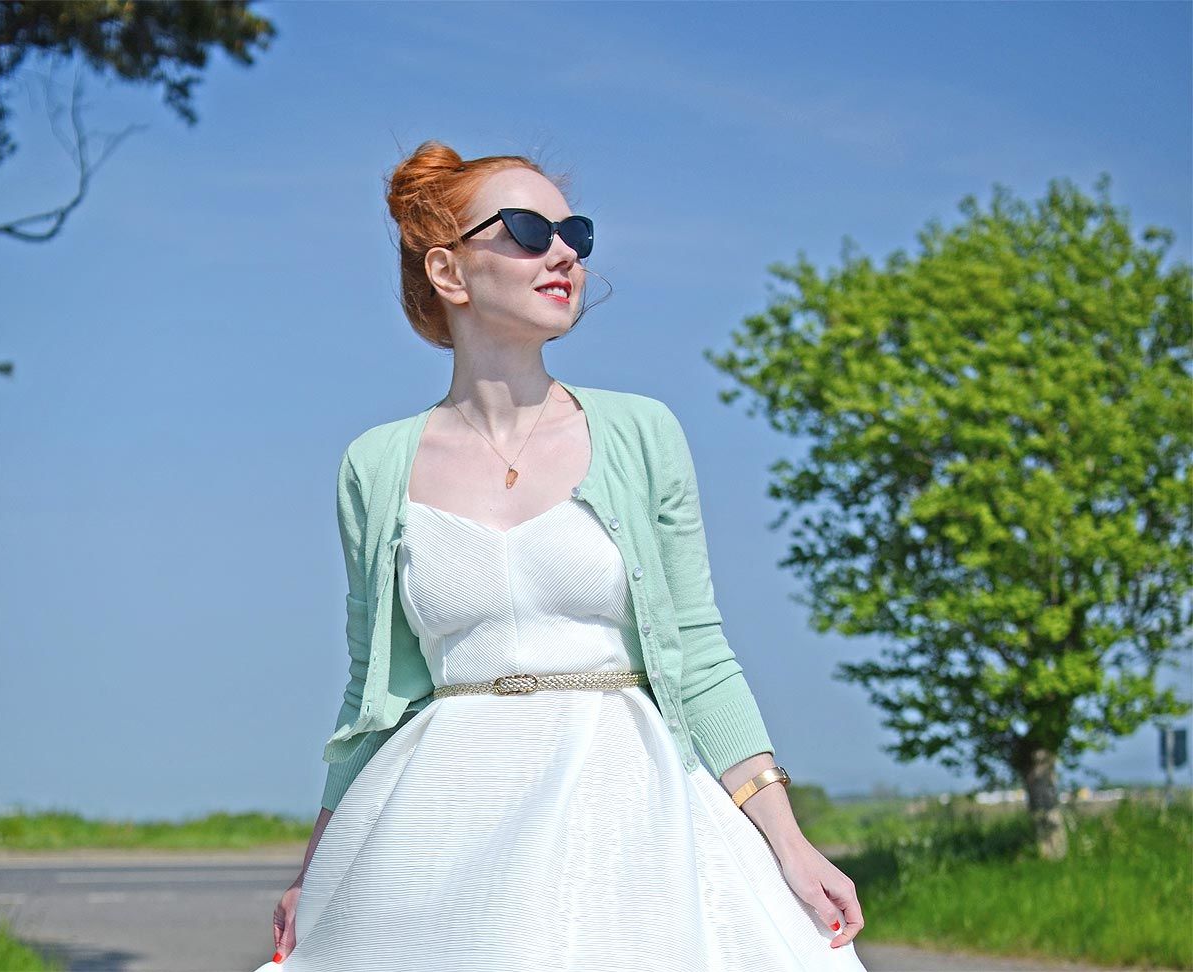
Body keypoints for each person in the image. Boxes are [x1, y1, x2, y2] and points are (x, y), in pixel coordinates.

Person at [255, 140, 868, 971]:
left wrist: (790, 845)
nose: (565, 251)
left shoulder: (642, 433)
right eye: (528, 228)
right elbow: (373, 691)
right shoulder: (375, 464)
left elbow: (701, 652)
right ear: (449, 271)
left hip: (632, 817)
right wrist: (315, 868)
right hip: (441, 820)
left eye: (575, 230)